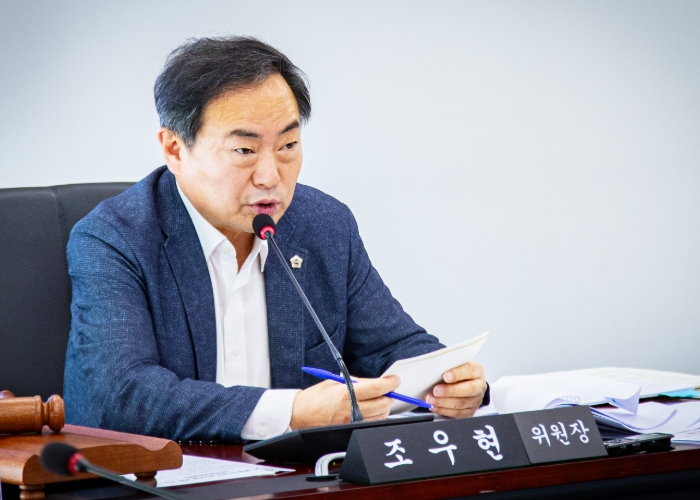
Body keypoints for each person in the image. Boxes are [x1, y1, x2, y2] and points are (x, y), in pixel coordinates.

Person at [63, 36, 487, 443]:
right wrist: (292, 412)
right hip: (157, 477)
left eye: (287, 145)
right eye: (244, 151)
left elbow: (393, 347)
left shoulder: (324, 226)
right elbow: (122, 395)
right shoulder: (114, 239)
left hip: (297, 477)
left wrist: (451, 382)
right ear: (175, 149)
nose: (270, 176)